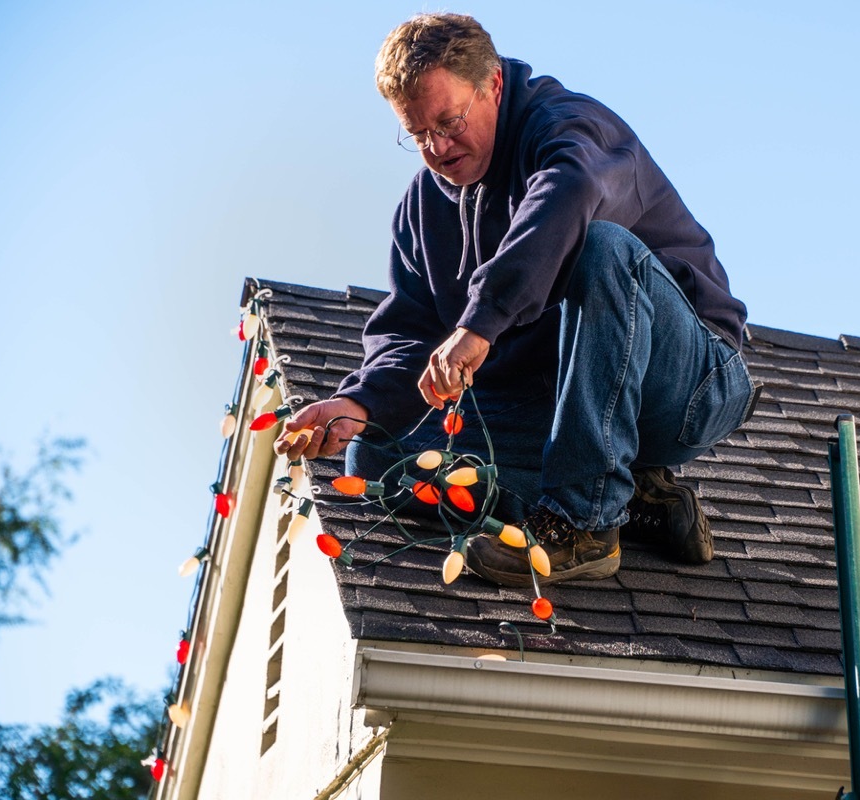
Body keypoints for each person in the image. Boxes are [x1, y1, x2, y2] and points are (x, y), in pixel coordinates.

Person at [275, 12, 754, 587]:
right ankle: (629, 500)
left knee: (601, 247)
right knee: (378, 459)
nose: (438, 147)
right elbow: (409, 331)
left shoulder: (568, 129)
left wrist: (480, 322)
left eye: (449, 121)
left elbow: (569, 194)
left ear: (493, 85)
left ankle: (585, 522)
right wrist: (362, 404)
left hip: (688, 381)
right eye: (417, 133)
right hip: (562, 405)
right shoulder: (423, 207)